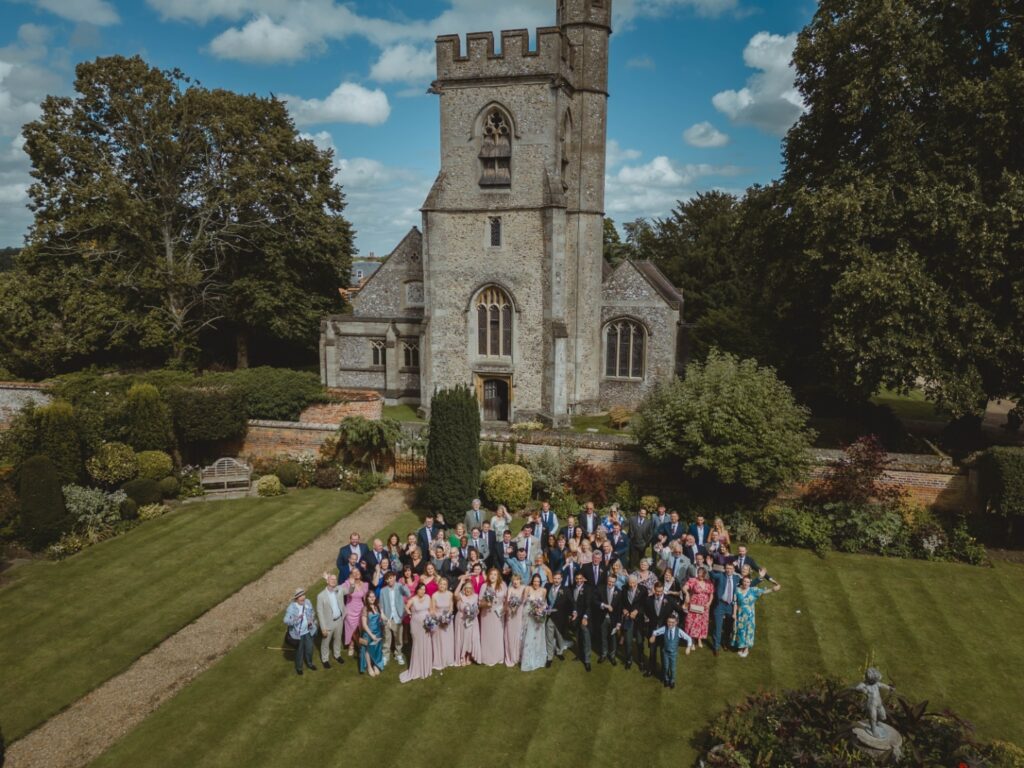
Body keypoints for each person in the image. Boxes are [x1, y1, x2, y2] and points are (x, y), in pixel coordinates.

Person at [733, 575, 780, 658]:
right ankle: (740, 647)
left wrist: (773, 589)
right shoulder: (737, 590)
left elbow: (764, 591)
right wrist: (734, 613)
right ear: (742, 582)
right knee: (741, 630)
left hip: (750, 615)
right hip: (740, 614)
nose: (746, 583)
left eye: (748, 582)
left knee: (748, 630)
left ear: (750, 583)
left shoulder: (753, 590)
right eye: (744, 581)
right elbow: (735, 602)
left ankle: (746, 648)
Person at [399, 582, 434, 683]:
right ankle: (417, 667)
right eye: (420, 589)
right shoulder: (413, 599)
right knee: (417, 645)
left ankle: (426, 666)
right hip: (416, 625)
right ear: (417, 590)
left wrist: (431, 619)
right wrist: (409, 613)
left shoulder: (428, 597)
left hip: (426, 625)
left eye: (424, 589)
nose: (422, 591)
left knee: (426, 643)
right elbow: (406, 607)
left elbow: (431, 609)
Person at [650, 613, 693, 689]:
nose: (670, 624)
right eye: (669, 622)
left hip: (674, 653)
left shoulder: (678, 631)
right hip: (665, 652)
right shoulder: (664, 628)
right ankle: (666, 679)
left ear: (676, 622)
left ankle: (672, 680)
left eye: (672, 622)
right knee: (665, 667)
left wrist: (688, 647)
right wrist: (653, 636)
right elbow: (656, 632)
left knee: (672, 668)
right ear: (667, 622)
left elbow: (689, 638)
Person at [643, 580, 675, 678]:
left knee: (663, 652)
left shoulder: (669, 600)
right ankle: (651, 669)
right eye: (657, 591)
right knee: (652, 651)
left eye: (661, 591)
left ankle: (664, 671)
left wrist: (675, 623)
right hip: (652, 629)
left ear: (663, 590)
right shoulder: (648, 600)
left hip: (664, 630)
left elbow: (678, 609)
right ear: (654, 589)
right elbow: (646, 611)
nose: (659, 593)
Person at [283, 587, 318, 675]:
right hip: (297, 635)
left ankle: (310, 664)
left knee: (310, 648)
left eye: (303, 595)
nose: (303, 597)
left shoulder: (308, 602)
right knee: (299, 651)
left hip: (308, 631)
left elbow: (313, 612)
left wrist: (311, 619)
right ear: (296, 598)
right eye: (300, 596)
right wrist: (296, 618)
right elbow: (286, 620)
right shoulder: (291, 608)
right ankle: (299, 668)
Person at [709, 563, 741, 657]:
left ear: (733, 569)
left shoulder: (736, 578)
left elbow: (747, 583)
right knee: (718, 627)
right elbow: (712, 575)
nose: (728, 570)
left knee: (728, 627)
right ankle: (716, 647)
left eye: (730, 568)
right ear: (724, 569)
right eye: (727, 568)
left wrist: (759, 578)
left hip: (730, 606)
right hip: (720, 604)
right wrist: (710, 567)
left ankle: (725, 643)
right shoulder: (720, 575)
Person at [315, 574, 346, 668]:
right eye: (331, 579)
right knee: (326, 642)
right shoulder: (321, 596)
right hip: (328, 623)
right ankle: (325, 659)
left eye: (335, 579)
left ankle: (337, 655)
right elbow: (320, 612)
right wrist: (323, 627)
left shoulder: (338, 590)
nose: (334, 580)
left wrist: (352, 585)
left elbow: (350, 590)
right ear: (327, 581)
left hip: (339, 620)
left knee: (338, 639)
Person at [379, 571, 409, 666]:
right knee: (386, 638)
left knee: (398, 638)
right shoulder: (383, 590)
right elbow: (381, 604)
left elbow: (408, 594)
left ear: (395, 577)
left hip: (398, 616)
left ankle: (398, 654)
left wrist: (404, 585)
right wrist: (382, 614)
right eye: (387, 579)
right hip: (387, 617)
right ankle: (385, 655)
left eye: (391, 578)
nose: (389, 580)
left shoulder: (400, 586)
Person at [478, 567, 507, 666]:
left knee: (498, 635)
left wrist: (504, 609)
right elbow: (480, 602)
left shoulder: (503, 585)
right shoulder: (484, 586)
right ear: (488, 575)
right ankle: (487, 656)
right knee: (487, 635)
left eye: (495, 574)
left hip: (499, 614)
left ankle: (498, 656)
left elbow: (506, 600)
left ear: (498, 576)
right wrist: (486, 604)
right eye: (491, 574)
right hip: (487, 614)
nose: (493, 576)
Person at [520, 573, 548, 672]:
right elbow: (523, 601)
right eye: (535, 581)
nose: (536, 583)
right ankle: (527, 658)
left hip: (538, 617)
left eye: (538, 581)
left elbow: (544, 603)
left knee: (537, 637)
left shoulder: (543, 590)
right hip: (528, 615)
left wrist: (540, 610)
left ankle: (537, 657)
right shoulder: (528, 588)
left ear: (540, 582)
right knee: (528, 636)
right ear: (532, 581)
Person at [620, 574, 647, 671]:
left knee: (640, 642)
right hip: (628, 619)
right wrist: (623, 609)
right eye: (630, 583)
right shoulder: (624, 589)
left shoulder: (643, 590)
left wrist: (637, 611)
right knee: (628, 641)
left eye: (633, 583)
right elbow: (621, 602)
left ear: (637, 582)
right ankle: (628, 660)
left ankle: (641, 661)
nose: (631, 585)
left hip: (639, 620)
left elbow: (645, 604)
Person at [682, 566, 713, 649]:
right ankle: (691, 640)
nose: (701, 575)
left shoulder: (708, 582)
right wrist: (687, 594)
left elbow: (711, 594)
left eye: (703, 574)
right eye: (700, 573)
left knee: (702, 622)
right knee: (692, 621)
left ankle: (699, 639)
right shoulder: (693, 580)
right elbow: (684, 588)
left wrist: (709, 603)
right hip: (694, 604)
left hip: (705, 606)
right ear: (697, 573)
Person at [341, 567, 369, 657]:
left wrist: (367, 609)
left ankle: (358, 644)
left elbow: (365, 598)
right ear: (351, 575)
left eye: (358, 571)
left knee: (359, 628)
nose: (356, 573)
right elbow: (339, 590)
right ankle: (352, 646)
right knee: (352, 629)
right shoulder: (347, 583)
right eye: (354, 572)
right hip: (350, 610)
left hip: (360, 609)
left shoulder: (365, 584)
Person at [545, 570, 572, 665]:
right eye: (555, 578)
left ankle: (560, 652)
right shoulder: (548, 586)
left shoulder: (566, 590)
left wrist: (570, 614)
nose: (556, 580)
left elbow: (571, 603)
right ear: (552, 578)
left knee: (560, 637)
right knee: (549, 637)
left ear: (561, 579)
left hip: (560, 618)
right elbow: (544, 599)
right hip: (549, 617)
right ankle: (549, 657)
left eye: (558, 579)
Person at [430, 576, 456, 670]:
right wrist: (439, 619)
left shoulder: (450, 594)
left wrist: (447, 617)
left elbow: (451, 608)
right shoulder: (434, 595)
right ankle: (439, 660)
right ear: (438, 584)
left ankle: (448, 659)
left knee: (448, 640)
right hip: (438, 621)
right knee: (439, 641)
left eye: (444, 584)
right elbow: (432, 610)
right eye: (441, 584)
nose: (442, 585)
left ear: (447, 586)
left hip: (448, 621)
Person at [570, 570, 593, 671]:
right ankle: (580, 655)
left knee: (586, 639)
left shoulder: (588, 589)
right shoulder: (572, 587)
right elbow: (573, 603)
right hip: (576, 617)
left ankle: (587, 661)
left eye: (580, 578)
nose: (579, 580)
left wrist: (585, 617)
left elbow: (588, 605)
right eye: (577, 579)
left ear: (583, 579)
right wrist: (573, 612)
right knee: (578, 637)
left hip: (584, 617)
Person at [454, 580, 482, 665]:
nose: (468, 589)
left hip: (472, 620)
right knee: (463, 637)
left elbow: (477, 608)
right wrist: (461, 582)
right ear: (464, 589)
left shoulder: (475, 596)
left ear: (472, 589)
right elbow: (455, 595)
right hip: (462, 619)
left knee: (471, 638)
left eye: (470, 588)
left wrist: (476, 612)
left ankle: (468, 655)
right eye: (466, 588)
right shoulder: (461, 595)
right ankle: (462, 656)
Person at [596, 572, 622, 665]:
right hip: (602, 618)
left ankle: (612, 656)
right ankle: (603, 654)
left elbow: (619, 609)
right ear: (607, 580)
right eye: (609, 581)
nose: (611, 583)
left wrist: (619, 623)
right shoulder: (600, 589)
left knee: (613, 638)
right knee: (603, 637)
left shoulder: (619, 592)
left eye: (613, 582)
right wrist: (604, 605)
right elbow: (594, 601)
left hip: (613, 619)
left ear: (615, 582)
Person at [504, 573, 527, 667]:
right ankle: (511, 656)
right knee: (510, 634)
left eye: (517, 579)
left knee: (519, 635)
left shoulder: (524, 588)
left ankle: (518, 656)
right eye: (514, 580)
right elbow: (507, 600)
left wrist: (517, 606)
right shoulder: (510, 589)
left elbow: (524, 599)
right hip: (511, 614)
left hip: (519, 613)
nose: (515, 581)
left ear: (520, 580)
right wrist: (511, 607)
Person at [359, 591, 385, 676]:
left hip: (378, 632)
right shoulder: (365, 609)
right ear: (367, 598)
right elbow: (364, 625)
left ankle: (376, 665)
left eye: (373, 596)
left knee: (377, 649)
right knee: (368, 650)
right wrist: (371, 635)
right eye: (370, 597)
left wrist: (387, 620)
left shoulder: (378, 606)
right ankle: (369, 667)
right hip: (368, 633)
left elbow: (382, 616)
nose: (372, 598)